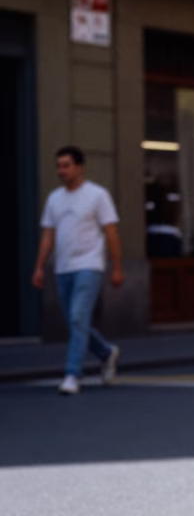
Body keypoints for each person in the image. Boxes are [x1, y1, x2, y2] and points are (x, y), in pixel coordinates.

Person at [32, 146, 123, 395]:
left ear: (79, 167)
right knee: (77, 322)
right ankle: (106, 352)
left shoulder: (97, 195)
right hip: (63, 268)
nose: (61, 171)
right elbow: (48, 236)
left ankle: (72, 374)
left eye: (66, 165)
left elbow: (111, 232)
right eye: (59, 166)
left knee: (76, 318)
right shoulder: (54, 199)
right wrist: (40, 267)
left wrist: (117, 266)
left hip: (89, 265)